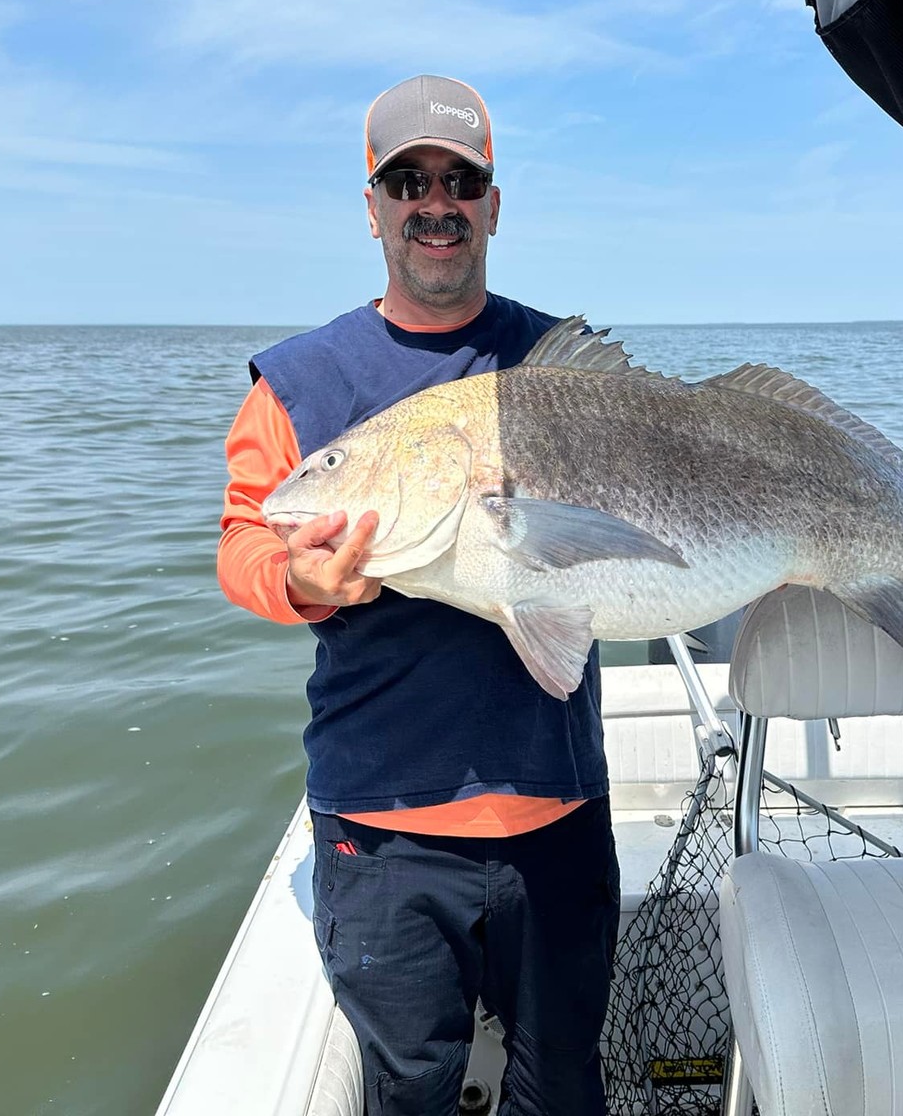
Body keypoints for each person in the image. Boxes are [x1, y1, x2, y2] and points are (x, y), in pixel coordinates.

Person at [218, 75, 619, 1116]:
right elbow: (244, 542)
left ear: (493, 204)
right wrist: (301, 582)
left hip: (559, 814)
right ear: (372, 205)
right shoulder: (299, 382)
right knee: (409, 1093)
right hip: (382, 831)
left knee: (564, 1091)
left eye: (459, 180)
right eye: (407, 180)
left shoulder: (556, 361)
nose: (433, 201)